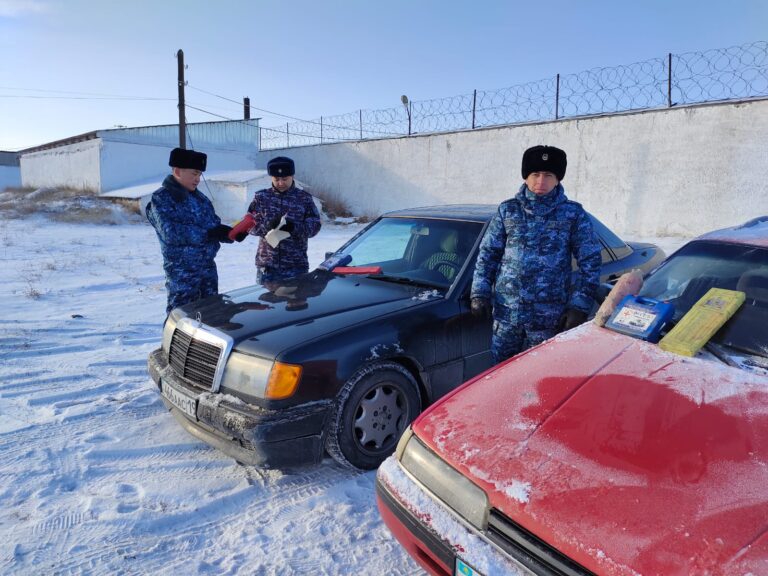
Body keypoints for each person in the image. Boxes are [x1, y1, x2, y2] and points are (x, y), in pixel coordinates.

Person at [470, 145, 602, 364]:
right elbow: (488, 254)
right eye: (535, 174)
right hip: (507, 316)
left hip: (548, 319)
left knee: (543, 375)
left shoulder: (572, 214)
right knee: (500, 375)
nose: (541, 181)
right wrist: (479, 293)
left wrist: (579, 305)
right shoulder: (508, 211)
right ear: (526, 178)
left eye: (548, 175)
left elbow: (591, 261)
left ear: (558, 179)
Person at [146, 147, 233, 313]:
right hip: (183, 273)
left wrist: (227, 233)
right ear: (178, 171)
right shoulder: (162, 198)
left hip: (207, 269)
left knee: (211, 316)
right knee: (180, 318)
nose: (198, 179)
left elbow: (213, 224)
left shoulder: (201, 199)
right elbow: (170, 232)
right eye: (194, 174)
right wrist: (208, 233)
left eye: (200, 174)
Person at [228, 156, 321, 283]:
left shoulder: (304, 199)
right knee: (267, 302)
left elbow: (315, 226)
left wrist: (294, 227)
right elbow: (249, 224)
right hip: (267, 266)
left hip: (296, 266)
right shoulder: (261, 197)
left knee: (296, 302)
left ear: (292, 176)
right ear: (271, 178)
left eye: (285, 179)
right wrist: (266, 226)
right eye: (277, 179)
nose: (281, 183)